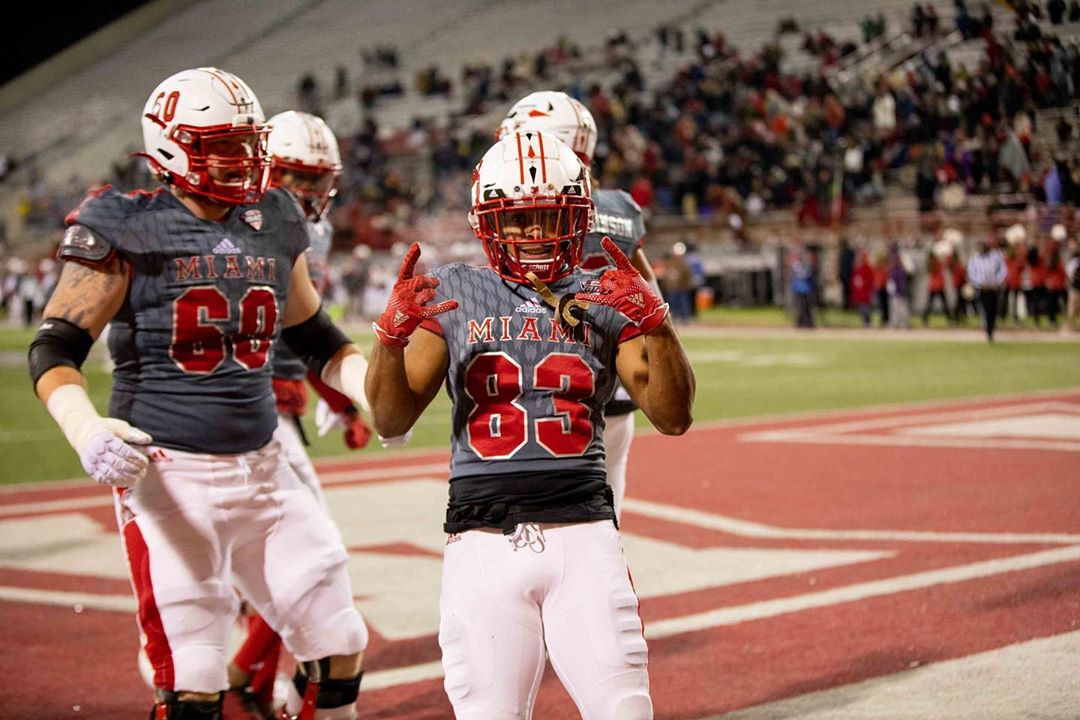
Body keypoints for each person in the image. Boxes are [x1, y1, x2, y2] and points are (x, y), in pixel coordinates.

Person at [27, 68, 371, 720]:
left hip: (265, 466)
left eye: (248, 143)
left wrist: (368, 390)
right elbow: (54, 347)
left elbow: (318, 338)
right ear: (172, 147)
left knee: (340, 639)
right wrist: (84, 427)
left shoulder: (274, 216)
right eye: (224, 145)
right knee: (195, 677)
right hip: (170, 473)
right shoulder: (126, 223)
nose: (244, 159)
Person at [364, 132, 695, 720]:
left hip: (584, 530)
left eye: (550, 216)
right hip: (481, 538)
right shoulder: (455, 289)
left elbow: (673, 417)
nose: (536, 233)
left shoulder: (601, 293)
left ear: (579, 217)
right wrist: (389, 341)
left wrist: (659, 325)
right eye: (519, 219)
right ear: (489, 223)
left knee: (625, 711)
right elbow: (391, 418)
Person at [225, 110, 374, 717]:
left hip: (281, 392)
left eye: (317, 179)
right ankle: (237, 679)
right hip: (238, 405)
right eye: (294, 175)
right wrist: (341, 397)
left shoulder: (310, 228)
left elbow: (307, 325)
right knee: (304, 564)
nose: (307, 191)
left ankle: (248, 681)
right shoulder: (239, 217)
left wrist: (343, 397)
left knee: (291, 565)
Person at [498, 91, 661, 519]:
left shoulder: (539, 211)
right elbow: (649, 289)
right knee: (607, 512)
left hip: (557, 383)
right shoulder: (620, 207)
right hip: (619, 381)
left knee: (540, 521)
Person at [967, 237, 1007, 342]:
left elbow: (1003, 270)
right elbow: (971, 273)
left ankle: (991, 327)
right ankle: (988, 330)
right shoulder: (974, 258)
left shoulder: (996, 256)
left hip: (994, 287)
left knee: (993, 309)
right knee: (985, 308)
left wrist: (997, 281)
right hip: (982, 288)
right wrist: (980, 283)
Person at [850, 249, 875, 327]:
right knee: (861, 308)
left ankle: (867, 322)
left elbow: (870, 280)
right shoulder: (857, 268)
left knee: (865, 308)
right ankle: (865, 322)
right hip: (860, 292)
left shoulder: (867, 268)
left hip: (865, 292)